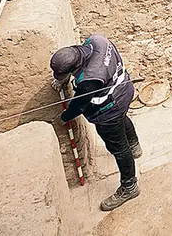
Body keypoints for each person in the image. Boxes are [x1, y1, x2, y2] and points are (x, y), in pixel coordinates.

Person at [51, 34, 141, 211]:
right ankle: (135, 145)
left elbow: (78, 106)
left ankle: (129, 187)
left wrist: (63, 118)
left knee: (118, 147)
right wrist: (64, 78)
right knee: (123, 118)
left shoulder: (90, 80)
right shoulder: (96, 40)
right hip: (124, 89)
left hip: (109, 109)